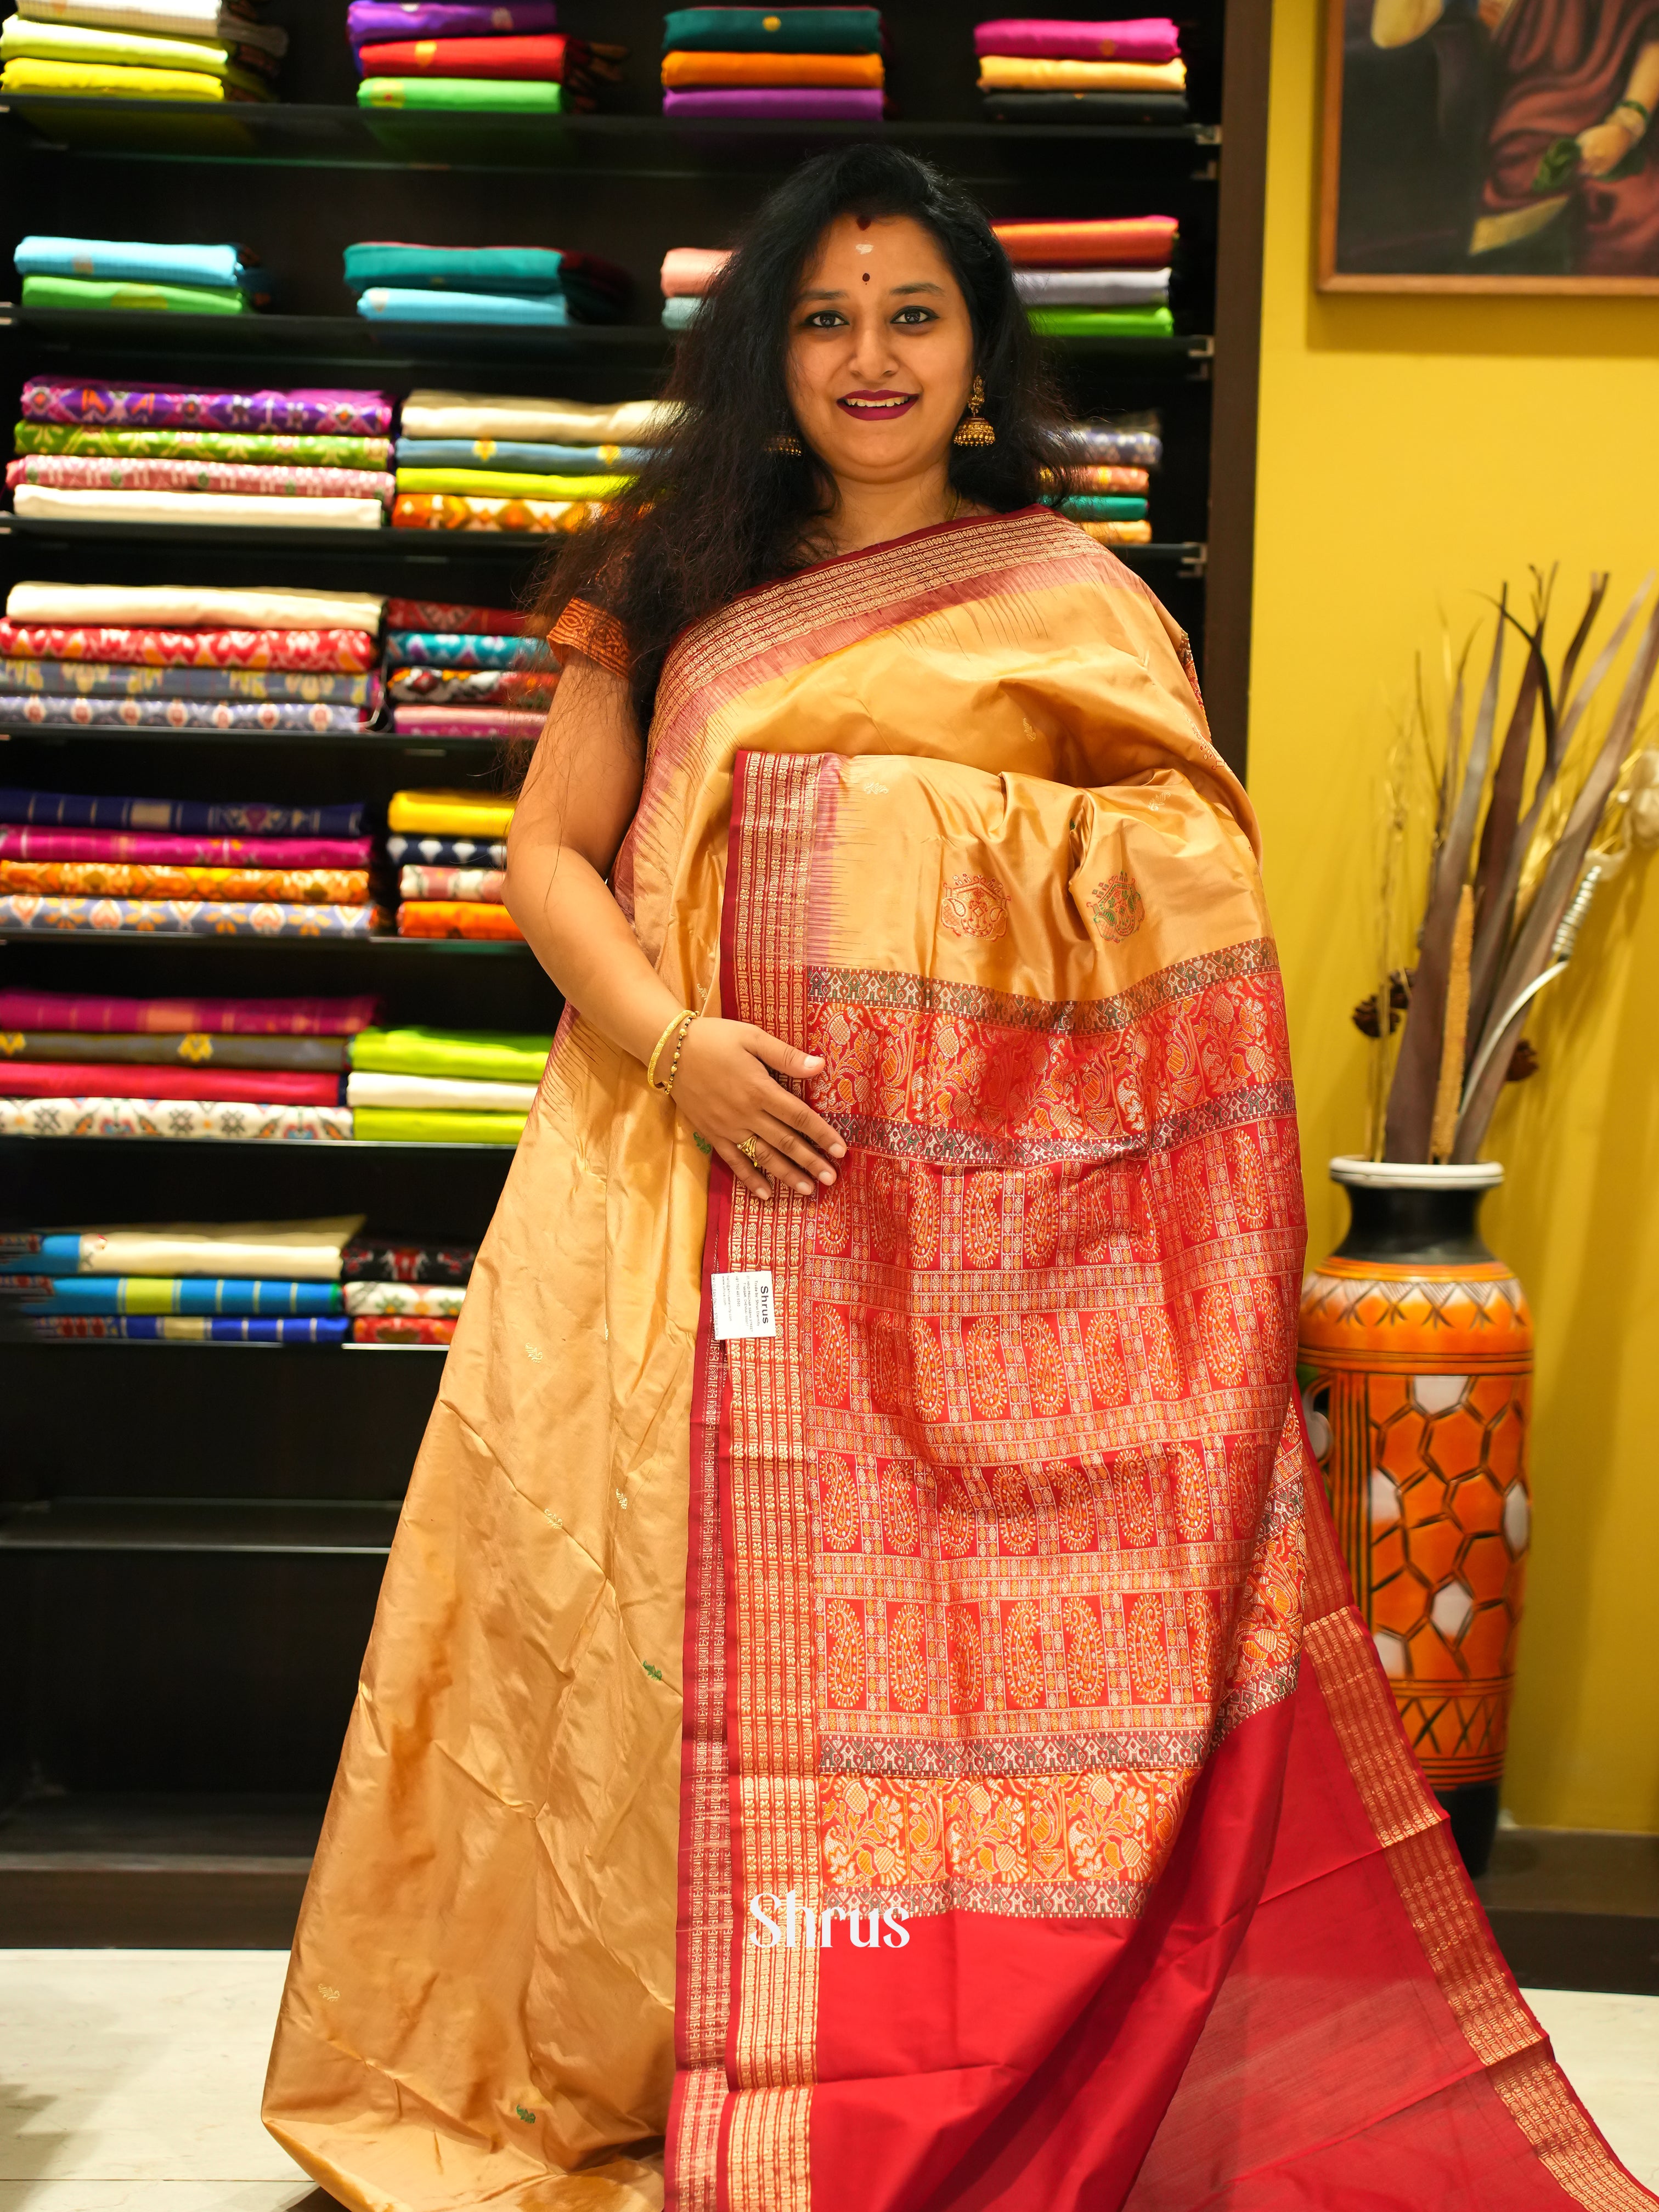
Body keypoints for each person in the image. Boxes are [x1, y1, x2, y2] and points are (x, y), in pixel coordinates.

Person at [263, 146, 1651, 2212]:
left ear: (983, 349)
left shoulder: (1073, 597)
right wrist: (685, 1045)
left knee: (943, 1680)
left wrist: (901, 871)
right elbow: (548, 859)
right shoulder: (673, 571)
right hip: (677, 1179)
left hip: (972, 1251)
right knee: (621, 1633)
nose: (869, 357)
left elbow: (1190, 887)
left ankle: (937, 2035)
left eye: (912, 313)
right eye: (824, 317)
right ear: (769, 350)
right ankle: (652, 2055)